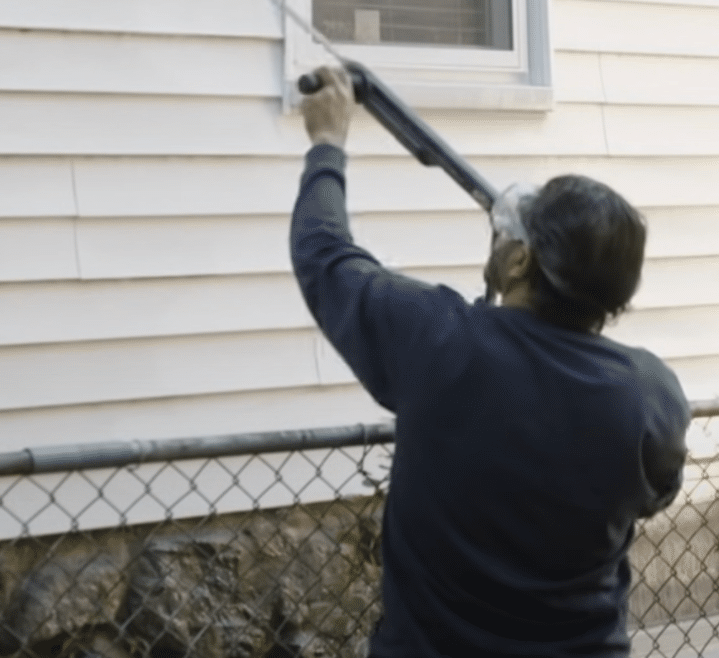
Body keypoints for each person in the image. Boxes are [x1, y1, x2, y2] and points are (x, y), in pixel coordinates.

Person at [291, 66, 690, 657]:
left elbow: (324, 253)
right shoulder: (651, 394)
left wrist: (328, 143)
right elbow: (655, 495)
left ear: (521, 262)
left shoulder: (437, 339)